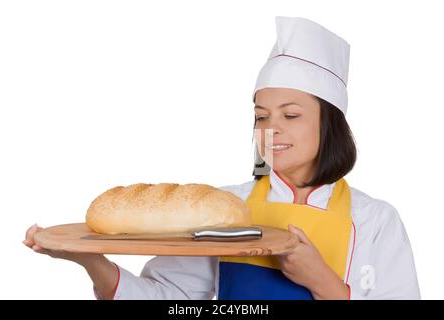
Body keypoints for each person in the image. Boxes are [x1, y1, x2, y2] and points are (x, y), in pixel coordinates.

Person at [23, 16, 420, 300]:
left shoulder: (375, 221)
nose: (271, 128)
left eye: (291, 114)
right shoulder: (225, 210)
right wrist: (89, 260)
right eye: (261, 116)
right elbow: (163, 298)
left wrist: (324, 283)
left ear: (329, 123)